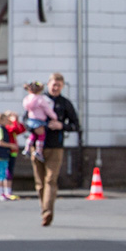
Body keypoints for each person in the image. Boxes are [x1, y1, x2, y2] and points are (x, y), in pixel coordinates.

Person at [32, 72, 80, 227]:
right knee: (40, 183)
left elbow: (76, 125)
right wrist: (34, 127)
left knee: (51, 180)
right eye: (54, 85)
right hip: (38, 145)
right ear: (48, 85)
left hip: (56, 146)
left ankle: (47, 212)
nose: (56, 88)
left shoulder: (64, 104)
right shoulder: (38, 100)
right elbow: (27, 119)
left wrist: (62, 126)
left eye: (59, 85)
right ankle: (44, 208)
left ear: (62, 87)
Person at [22, 81, 58, 163]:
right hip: (39, 120)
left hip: (31, 120)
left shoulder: (27, 99)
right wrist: (54, 117)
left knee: (33, 135)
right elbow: (47, 109)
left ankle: (27, 148)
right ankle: (38, 151)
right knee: (41, 135)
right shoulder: (40, 99)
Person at [0, 112, 19, 201]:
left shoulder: (3, 128)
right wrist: (11, 145)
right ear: (2, 120)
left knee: (3, 173)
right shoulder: (0, 129)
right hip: (0, 154)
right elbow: (0, 142)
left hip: (4, 153)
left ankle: (2, 192)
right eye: (6, 120)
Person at [4, 110, 26, 200]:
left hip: (13, 151)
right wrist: (13, 121)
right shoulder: (6, 127)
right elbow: (12, 129)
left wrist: (17, 120)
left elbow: (21, 129)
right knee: (6, 171)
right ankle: (5, 191)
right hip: (6, 151)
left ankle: (9, 190)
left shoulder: (13, 125)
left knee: (10, 170)